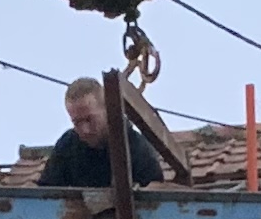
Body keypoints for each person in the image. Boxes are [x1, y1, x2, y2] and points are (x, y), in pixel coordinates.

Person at [36, 74, 180, 193]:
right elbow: (44, 195)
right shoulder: (67, 145)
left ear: (106, 111)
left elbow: (155, 199)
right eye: (76, 122)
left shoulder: (137, 147)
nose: (85, 129)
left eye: (89, 119)